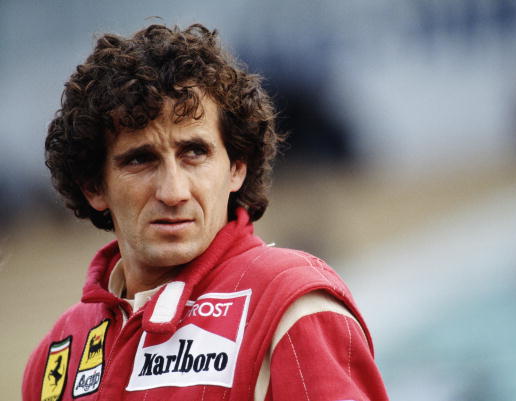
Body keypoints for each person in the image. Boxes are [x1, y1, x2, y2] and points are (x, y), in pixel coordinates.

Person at [23, 23, 389, 401]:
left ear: (236, 168)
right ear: (94, 187)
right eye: (141, 159)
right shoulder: (57, 355)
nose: (174, 192)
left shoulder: (290, 308)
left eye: (194, 153)